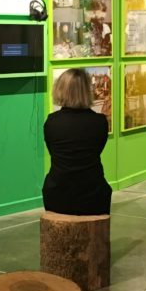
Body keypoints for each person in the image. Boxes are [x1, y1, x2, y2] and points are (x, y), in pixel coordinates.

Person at [42, 68, 111, 215]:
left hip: (57, 192)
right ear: (87, 91)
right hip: (93, 192)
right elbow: (96, 151)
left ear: (60, 89)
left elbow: (53, 152)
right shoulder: (100, 122)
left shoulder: (52, 122)